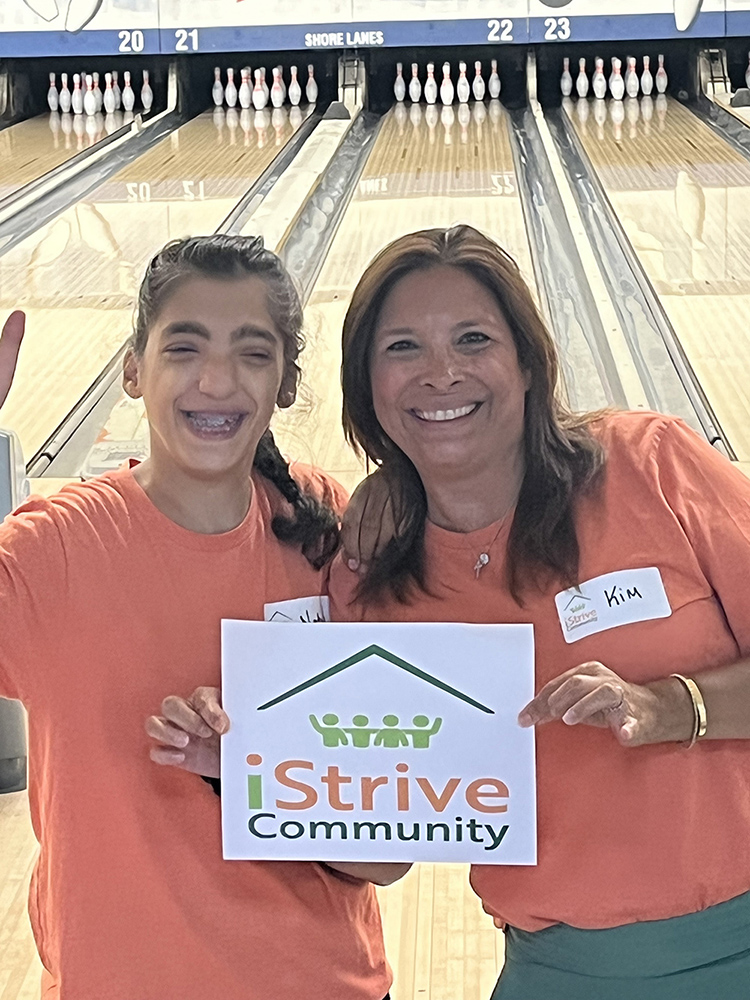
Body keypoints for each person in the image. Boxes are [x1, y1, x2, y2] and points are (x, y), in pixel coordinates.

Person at [158, 225, 750, 997]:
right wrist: (248, 769)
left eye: (473, 339)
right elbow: (385, 853)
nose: (440, 373)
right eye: (402, 348)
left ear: (528, 363)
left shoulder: (651, 465)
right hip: (559, 971)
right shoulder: (370, 581)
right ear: (367, 385)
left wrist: (670, 705)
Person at [0, 235, 399, 1000]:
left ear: (284, 383)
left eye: (253, 353)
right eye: (184, 347)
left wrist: (251, 766)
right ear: (131, 369)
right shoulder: (52, 553)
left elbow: (383, 854)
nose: (217, 380)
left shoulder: (331, 534)